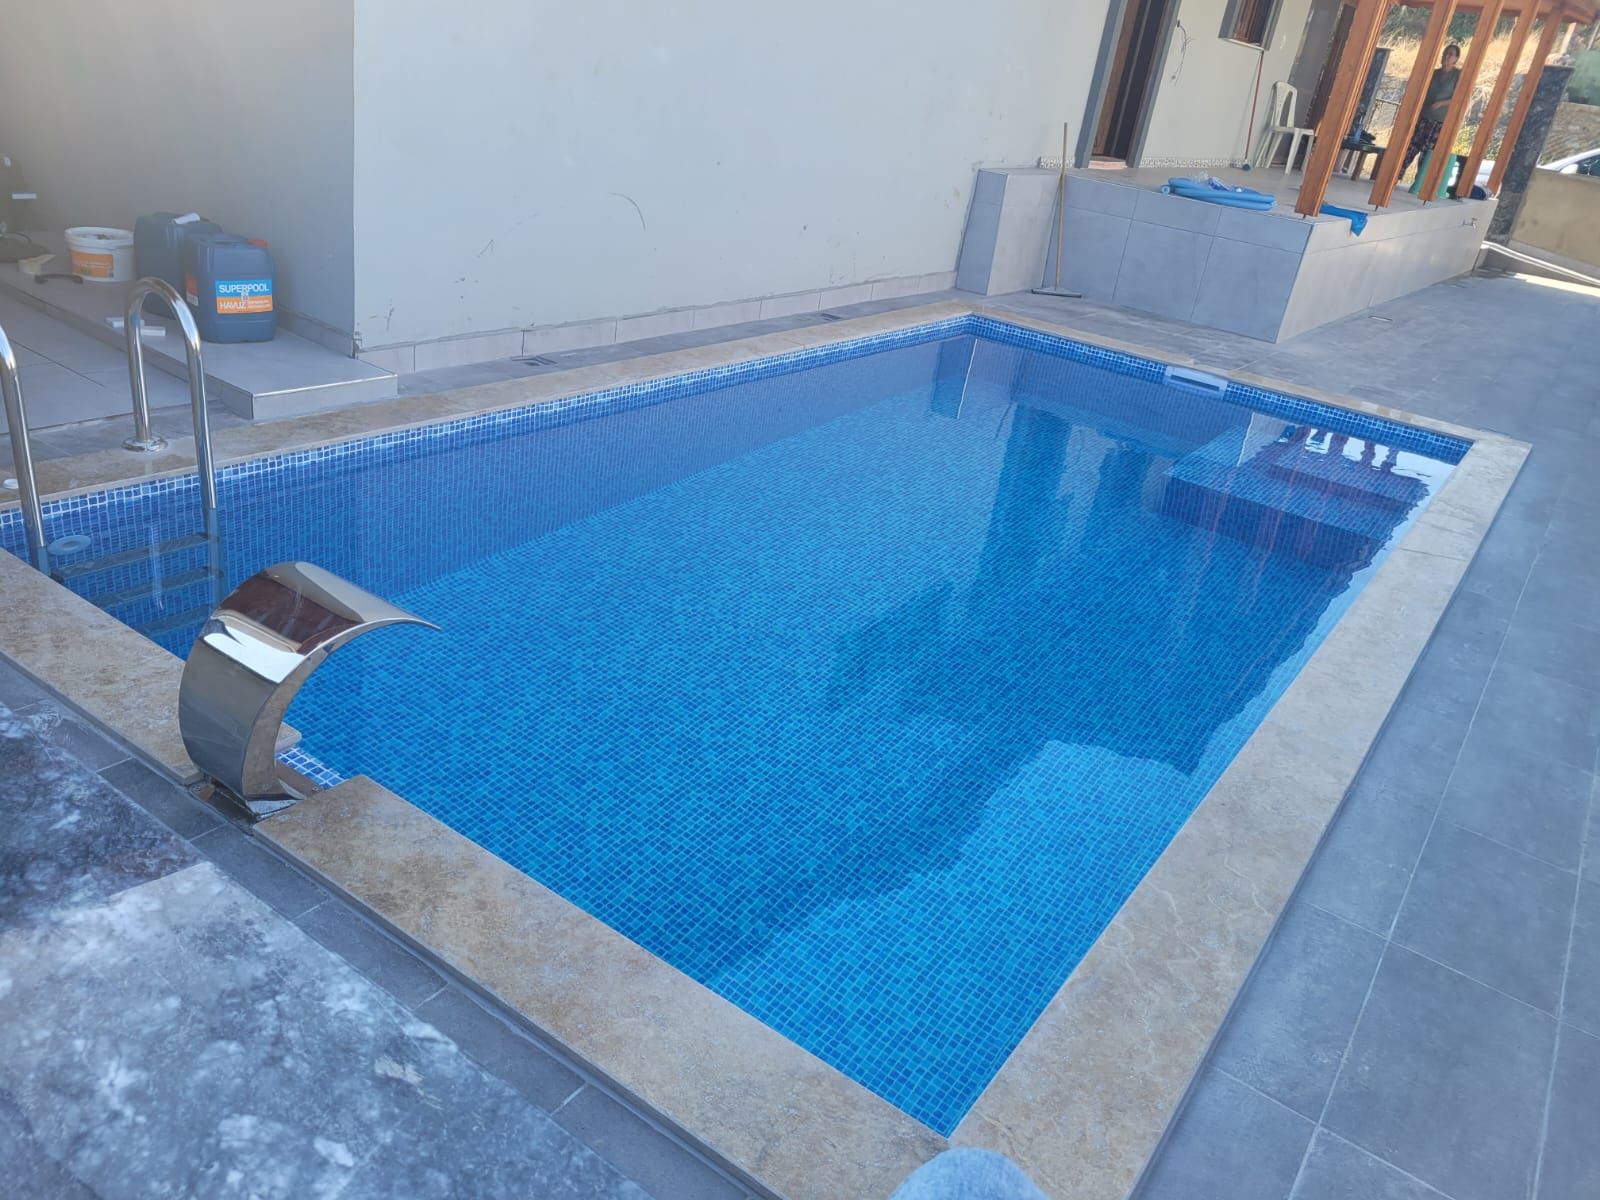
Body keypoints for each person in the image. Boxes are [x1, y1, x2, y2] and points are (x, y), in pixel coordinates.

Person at [1400, 43, 1462, 179]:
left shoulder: (1457, 75)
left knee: (1427, 153)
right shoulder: (1434, 73)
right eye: (1445, 53)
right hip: (1424, 116)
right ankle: (1395, 176)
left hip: (1440, 121)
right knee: (1410, 147)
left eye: (1451, 54)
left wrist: (1441, 103)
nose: (1447, 56)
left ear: (1456, 59)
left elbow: (1459, 97)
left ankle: (1420, 182)